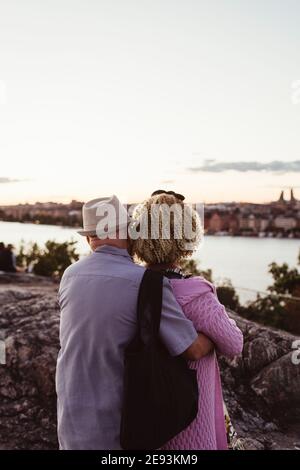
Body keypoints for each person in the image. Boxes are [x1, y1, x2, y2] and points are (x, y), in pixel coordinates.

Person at [56, 195, 214, 450]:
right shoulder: (146, 282)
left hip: (70, 425)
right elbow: (192, 348)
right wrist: (215, 333)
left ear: (89, 237)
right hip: (117, 430)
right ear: (129, 232)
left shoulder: (70, 275)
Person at [130, 191, 244, 450]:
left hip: (143, 412)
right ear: (186, 237)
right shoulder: (195, 293)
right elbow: (234, 343)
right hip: (190, 419)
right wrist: (211, 338)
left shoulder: (130, 286)